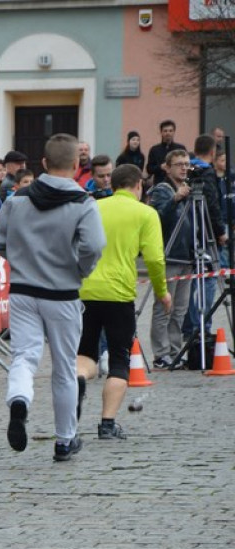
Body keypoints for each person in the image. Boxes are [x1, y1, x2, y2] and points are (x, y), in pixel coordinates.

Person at [0, 133, 106, 462]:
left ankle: (19, 402)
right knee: (65, 369)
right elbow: (94, 246)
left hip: (24, 291)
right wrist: (79, 269)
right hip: (63, 293)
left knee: (24, 357)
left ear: (42, 163)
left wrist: (23, 259)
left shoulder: (17, 199)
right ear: (76, 164)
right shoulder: (84, 202)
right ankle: (65, 440)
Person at [76, 164, 170, 441]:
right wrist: (162, 290)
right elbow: (154, 258)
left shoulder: (93, 208)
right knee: (119, 357)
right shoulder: (146, 213)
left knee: (85, 353)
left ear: (113, 184)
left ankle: (79, 380)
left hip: (85, 290)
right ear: (138, 186)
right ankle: (107, 424)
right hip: (119, 294)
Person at [147, 149, 200, 369]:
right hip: (168, 255)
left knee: (180, 310)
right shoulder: (162, 189)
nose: (184, 168)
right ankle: (161, 354)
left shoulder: (189, 189)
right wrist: (175, 199)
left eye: (187, 164)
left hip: (186, 256)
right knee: (163, 308)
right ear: (168, 167)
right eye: (179, 164)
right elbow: (157, 218)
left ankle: (175, 351)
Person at [181, 134, 227, 339]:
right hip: (204, 234)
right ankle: (201, 326)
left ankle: (189, 326)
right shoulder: (206, 173)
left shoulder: (187, 169)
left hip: (188, 232)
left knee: (190, 281)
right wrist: (219, 232)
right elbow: (212, 204)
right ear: (212, 152)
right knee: (207, 280)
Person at [147, 119, 186, 186]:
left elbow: (186, 165)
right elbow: (149, 169)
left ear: (174, 132)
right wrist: (160, 167)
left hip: (177, 185)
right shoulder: (154, 149)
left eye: (170, 131)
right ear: (161, 132)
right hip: (160, 185)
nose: (168, 133)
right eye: (165, 131)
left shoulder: (181, 148)